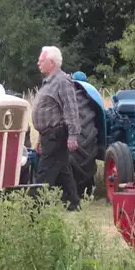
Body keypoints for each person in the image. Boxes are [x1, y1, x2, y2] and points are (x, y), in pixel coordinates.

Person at [31, 45, 82, 209]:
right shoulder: (48, 82)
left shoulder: (62, 81)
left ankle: (35, 208)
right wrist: (40, 138)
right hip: (48, 135)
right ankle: (73, 204)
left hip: (56, 135)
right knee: (62, 171)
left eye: (41, 60)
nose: (38, 63)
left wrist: (73, 135)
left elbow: (71, 109)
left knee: (44, 172)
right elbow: (48, 111)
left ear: (51, 62)